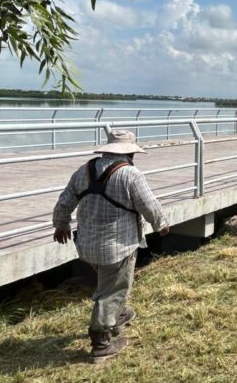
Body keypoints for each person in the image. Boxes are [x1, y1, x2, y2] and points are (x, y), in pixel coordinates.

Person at [52, 129, 170, 363]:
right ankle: (101, 343)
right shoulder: (130, 174)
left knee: (109, 284)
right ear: (131, 154)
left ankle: (117, 314)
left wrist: (61, 225)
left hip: (86, 245)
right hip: (117, 246)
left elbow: (65, 200)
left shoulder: (85, 170)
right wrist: (162, 224)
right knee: (112, 291)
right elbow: (149, 205)